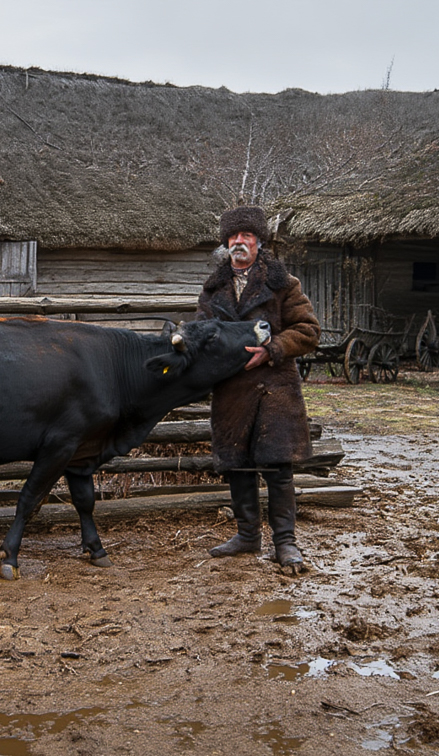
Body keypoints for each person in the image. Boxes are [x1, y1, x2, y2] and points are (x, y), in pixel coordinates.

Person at [196, 206, 320, 574]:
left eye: (246, 236)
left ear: (259, 241)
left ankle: (286, 544)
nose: (239, 243)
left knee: (277, 468)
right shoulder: (213, 289)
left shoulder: (283, 283)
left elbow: (309, 331)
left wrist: (272, 350)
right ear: (225, 244)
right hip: (232, 391)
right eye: (232, 238)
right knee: (237, 465)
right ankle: (247, 535)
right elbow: (205, 332)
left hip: (275, 390)